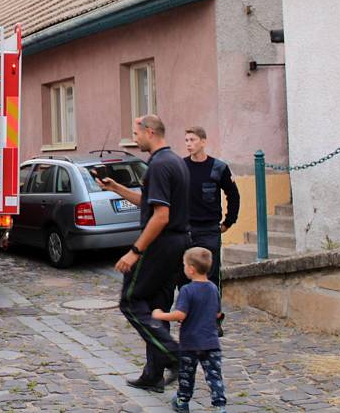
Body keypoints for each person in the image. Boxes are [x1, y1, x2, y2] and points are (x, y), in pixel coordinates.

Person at [96, 115, 190, 393]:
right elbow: (149, 202)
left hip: (160, 244)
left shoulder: (160, 166)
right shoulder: (174, 162)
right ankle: (153, 374)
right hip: (177, 244)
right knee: (156, 310)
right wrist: (116, 188)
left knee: (131, 300)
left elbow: (161, 216)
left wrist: (135, 251)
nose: (134, 138)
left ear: (150, 132)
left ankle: (175, 356)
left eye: (136, 133)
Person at [152, 247, 227, 413]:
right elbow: (217, 313)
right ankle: (220, 406)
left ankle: (182, 401)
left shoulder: (187, 290)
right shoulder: (213, 288)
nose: (184, 267)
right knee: (214, 375)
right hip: (211, 342)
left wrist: (161, 315)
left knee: (186, 375)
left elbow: (180, 314)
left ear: (191, 269)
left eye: (184, 265)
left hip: (190, 343)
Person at [183, 126, 240, 335]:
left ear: (203, 141)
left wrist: (228, 222)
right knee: (186, 276)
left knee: (211, 276)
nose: (189, 143)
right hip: (187, 230)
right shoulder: (182, 167)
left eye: (193, 140)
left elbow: (233, 195)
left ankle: (214, 319)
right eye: (186, 140)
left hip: (209, 229)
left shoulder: (218, 168)